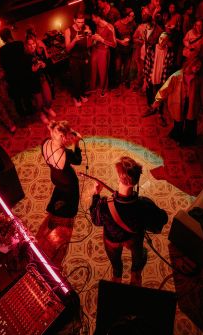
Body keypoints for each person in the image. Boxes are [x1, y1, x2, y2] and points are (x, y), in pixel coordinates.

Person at [90, 156, 167, 285]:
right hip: (134, 238)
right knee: (138, 255)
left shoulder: (104, 204)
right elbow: (162, 219)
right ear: (136, 182)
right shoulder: (144, 205)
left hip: (112, 240)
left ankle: (117, 274)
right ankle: (135, 274)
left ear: (119, 179)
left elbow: (95, 219)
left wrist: (96, 194)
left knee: (115, 259)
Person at [37, 120, 82, 265]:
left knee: (59, 194)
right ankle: (66, 221)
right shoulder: (66, 153)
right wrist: (76, 143)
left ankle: (53, 216)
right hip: (69, 182)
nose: (69, 138)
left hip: (55, 177)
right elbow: (78, 160)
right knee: (70, 202)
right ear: (62, 137)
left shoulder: (45, 143)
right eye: (68, 135)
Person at [149, 57, 203, 145]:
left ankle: (188, 139)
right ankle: (177, 135)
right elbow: (165, 89)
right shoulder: (177, 76)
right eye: (197, 66)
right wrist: (157, 100)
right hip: (178, 102)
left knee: (190, 121)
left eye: (199, 67)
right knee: (178, 120)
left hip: (192, 103)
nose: (198, 69)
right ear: (190, 64)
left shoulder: (198, 77)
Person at [0, 28, 34, 117]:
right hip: (23, 73)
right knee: (26, 94)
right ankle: (30, 110)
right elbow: (26, 58)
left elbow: (3, 65)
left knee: (17, 98)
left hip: (12, 76)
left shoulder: (2, 50)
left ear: (2, 38)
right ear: (10, 35)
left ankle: (21, 113)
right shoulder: (19, 44)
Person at [24, 35, 56, 123]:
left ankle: (48, 108)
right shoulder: (25, 57)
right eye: (29, 44)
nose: (32, 46)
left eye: (33, 43)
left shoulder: (38, 52)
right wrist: (33, 70)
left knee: (49, 98)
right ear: (26, 45)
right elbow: (26, 72)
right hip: (33, 82)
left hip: (42, 78)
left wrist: (43, 64)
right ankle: (41, 113)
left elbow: (46, 63)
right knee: (39, 102)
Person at [64, 11, 92, 107]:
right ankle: (76, 97)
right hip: (74, 59)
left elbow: (89, 45)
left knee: (84, 79)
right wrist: (74, 40)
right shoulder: (68, 30)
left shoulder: (86, 28)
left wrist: (90, 36)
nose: (81, 24)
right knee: (76, 80)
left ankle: (82, 94)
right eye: (79, 22)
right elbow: (67, 49)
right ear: (74, 20)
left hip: (84, 58)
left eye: (82, 22)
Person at [90, 11, 117, 96]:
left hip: (103, 51)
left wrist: (102, 40)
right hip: (95, 49)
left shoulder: (109, 27)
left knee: (103, 71)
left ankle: (103, 89)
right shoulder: (97, 25)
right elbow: (97, 36)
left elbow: (114, 44)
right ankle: (93, 87)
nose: (92, 19)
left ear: (98, 17)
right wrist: (94, 38)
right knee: (93, 70)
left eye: (93, 17)